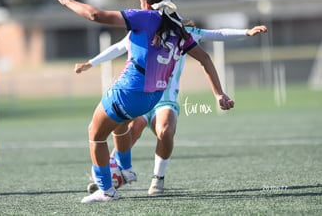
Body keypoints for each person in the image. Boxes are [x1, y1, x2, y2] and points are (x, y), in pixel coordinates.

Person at [48, 0, 234, 202]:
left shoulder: (145, 17)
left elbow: (96, 15)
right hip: (151, 99)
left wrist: (67, 1)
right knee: (119, 125)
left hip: (128, 92)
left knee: (95, 135)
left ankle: (107, 190)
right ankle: (126, 170)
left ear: (146, 2)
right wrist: (218, 93)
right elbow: (204, 59)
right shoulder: (177, 27)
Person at [75, 23, 267, 195]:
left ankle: (157, 178)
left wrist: (246, 32)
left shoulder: (183, 32)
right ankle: (113, 175)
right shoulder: (143, 28)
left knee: (165, 130)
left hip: (165, 99)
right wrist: (90, 63)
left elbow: (217, 33)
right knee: (131, 128)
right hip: (140, 96)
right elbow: (118, 47)